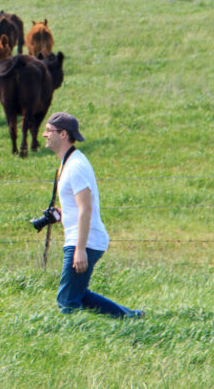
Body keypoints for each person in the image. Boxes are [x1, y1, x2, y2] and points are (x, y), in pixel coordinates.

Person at [42, 112, 143, 318]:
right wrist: (61, 216)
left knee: (67, 301)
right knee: (78, 294)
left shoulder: (76, 166)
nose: (44, 135)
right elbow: (78, 207)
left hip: (84, 242)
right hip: (82, 239)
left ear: (63, 134)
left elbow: (86, 208)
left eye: (48, 131)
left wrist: (80, 250)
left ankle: (73, 338)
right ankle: (131, 317)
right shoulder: (68, 163)